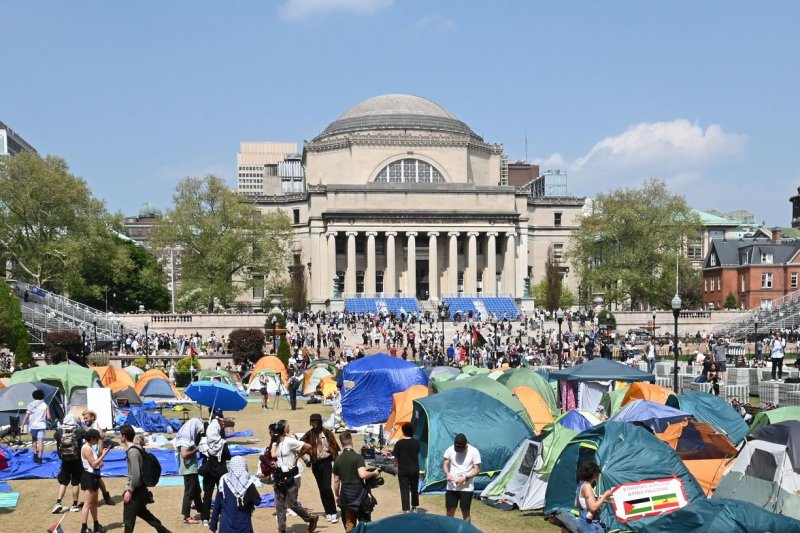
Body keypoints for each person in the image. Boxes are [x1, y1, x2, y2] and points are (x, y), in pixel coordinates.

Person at [120, 424, 171, 533]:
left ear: (124, 436)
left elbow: (136, 474)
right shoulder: (138, 448)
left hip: (136, 490)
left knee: (128, 521)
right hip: (141, 488)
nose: (120, 437)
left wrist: (129, 490)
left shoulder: (132, 452)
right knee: (144, 514)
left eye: (120, 435)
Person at [270, 420, 318, 533]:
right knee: (279, 504)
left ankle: (311, 518)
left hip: (292, 476)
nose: (272, 435)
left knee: (292, 504)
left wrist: (297, 457)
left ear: (279, 433)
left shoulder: (290, 441)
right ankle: (282, 529)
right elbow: (273, 455)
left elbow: (308, 446)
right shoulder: (275, 443)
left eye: (274, 433)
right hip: (280, 477)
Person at [333, 431, 382, 531]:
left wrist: (337, 496)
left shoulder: (338, 459)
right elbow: (363, 474)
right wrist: (374, 473)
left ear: (341, 443)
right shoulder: (358, 457)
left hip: (346, 495)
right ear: (352, 441)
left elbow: (336, 481)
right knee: (365, 523)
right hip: (360, 494)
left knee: (349, 523)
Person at [301, 413, 341, 523]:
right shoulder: (309, 434)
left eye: (316, 422)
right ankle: (327, 512)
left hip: (326, 462)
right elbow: (299, 446)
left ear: (319, 422)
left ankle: (333, 512)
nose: (314, 424)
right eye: (312, 422)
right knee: (322, 489)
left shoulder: (327, 433)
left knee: (327, 488)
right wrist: (306, 460)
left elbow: (335, 448)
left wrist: (337, 465)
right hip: (315, 464)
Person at [209, 456, 261, 533]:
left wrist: (213, 524)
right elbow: (257, 501)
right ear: (244, 466)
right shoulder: (248, 483)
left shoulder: (223, 481)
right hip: (244, 526)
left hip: (226, 526)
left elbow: (217, 504)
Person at [199, 412, 231, 527]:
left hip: (208, 469)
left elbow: (201, 455)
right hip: (220, 470)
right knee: (222, 493)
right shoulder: (222, 443)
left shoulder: (204, 441)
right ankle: (222, 514)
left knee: (207, 494)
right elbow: (228, 456)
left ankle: (205, 518)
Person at [442, 433, 481, 522]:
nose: (459, 450)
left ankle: (466, 530)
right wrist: (447, 473)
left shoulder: (474, 451)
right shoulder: (450, 449)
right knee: (449, 511)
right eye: (457, 448)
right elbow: (445, 464)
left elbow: (477, 469)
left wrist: (465, 478)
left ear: (466, 445)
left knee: (465, 512)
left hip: (467, 488)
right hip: (452, 486)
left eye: (461, 448)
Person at [53, 414, 85, 513]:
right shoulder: (79, 432)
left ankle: (58, 502)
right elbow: (87, 434)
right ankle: (74, 505)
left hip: (65, 460)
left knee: (63, 481)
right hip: (77, 459)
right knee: (75, 482)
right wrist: (80, 423)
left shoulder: (58, 432)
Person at [81, 411, 114, 505]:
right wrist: (80, 423)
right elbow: (86, 429)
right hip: (89, 455)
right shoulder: (91, 427)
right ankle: (91, 498)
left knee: (97, 478)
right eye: (84, 418)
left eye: (86, 418)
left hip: (95, 455)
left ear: (92, 417)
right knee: (93, 477)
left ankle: (105, 496)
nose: (85, 420)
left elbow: (101, 442)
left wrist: (99, 456)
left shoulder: (97, 429)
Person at [175, 417, 204, 524]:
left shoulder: (188, 438)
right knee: (189, 493)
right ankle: (186, 516)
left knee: (197, 491)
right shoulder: (185, 439)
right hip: (188, 470)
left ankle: (201, 509)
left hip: (192, 469)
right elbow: (184, 454)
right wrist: (197, 449)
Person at [80, 429, 108, 533]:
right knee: (87, 504)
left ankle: (96, 524)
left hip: (94, 476)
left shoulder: (90, 447)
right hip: (89, 477)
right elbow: (93, 464)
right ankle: (84, 528)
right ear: (91, 438)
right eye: (96, 439)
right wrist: (103, 455)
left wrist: (100, 462)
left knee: (94, 503)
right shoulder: (86, 448)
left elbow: (97, 463)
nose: (97, 441)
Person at [575, 462, 613, 532]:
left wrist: (598, 500)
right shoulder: (587, 486)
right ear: (594, 474)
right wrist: (605, 496)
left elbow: (577, 504)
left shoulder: (581, 483)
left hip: (582, 522)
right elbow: (593, 508)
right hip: (589, 524)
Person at [392, 423, 420, 513]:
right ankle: (414, 507)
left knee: (404, 489)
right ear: (412, 431)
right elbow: (417, 453)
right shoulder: (416, 442)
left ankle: (406, 509)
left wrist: (394, 465)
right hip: (414, 469)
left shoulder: (399, 443)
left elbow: (396, 457)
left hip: (403, 469)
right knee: (414, 488)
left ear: (403, 432)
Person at [22, 388, 49, 463]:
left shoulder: (31, 405)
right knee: (40, 441)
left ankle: (35, 454)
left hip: (33, 426)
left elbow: (26, 416)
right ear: (42, 396)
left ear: (33, 396)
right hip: (41, 425)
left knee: (34, 440)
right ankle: (40, 457)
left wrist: (22, 425)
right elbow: (49, 417)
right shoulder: (45, 405)